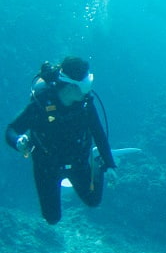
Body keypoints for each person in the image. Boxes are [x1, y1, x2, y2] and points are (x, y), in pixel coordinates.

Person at [5, 56, 116, 224]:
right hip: (46, 165)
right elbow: (11, 130)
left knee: (93, 201)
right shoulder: (41, 103)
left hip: (77, 160)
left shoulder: (85, 105)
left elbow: (98, 134)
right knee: (52, 218)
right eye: (85, 86)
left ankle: (96, 160)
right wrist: (18, 141)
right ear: (71, 86)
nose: (88, 91)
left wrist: (109, 164)